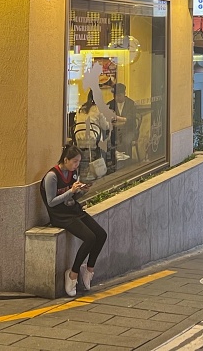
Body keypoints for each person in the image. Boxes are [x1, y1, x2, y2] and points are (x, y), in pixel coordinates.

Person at [40, 144, 107, 296]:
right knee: (90, 238)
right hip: (60, 215)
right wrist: (71, 191)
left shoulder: (73, 173)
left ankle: (88, 269)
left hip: (73, 210)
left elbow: (73, 196)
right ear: (66, 160)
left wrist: (82, 191)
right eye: (75, 161)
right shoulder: (52, 176)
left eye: (78, 162)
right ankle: (73, 274)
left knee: (101, 234)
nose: (77, 165)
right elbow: (51, 202)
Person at [111, 83, 136, 162]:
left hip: (129, 130)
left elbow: (131, 119)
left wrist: (119, 119)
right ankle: (114, 161)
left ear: (124, 94)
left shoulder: (130, 103)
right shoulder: (110, 104)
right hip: (114, 131)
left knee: (125, 141)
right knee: (108, 141)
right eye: (116, 96)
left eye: (120, 95)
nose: (117, 98)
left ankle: (128, 161)